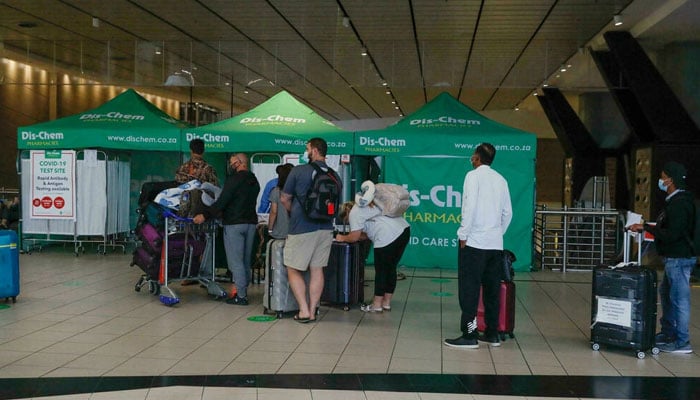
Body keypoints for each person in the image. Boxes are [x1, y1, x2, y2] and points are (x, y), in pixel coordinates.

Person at [445, 143, 512, 349]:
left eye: (473, 155)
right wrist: (497, 233)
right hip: (495, 244)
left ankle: (470, 334)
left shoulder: (472, 176)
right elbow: (508, 213)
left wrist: (463, 234)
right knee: (491, 289)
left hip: (474, 243)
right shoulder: (501, 179)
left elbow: (469, 206)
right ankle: (492, 333)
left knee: (469, 289)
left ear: (477, 158)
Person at [629, 161, 695, 354]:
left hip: (678, 257)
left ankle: (682, 342)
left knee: (679, 299)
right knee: (667, 294)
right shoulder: (677, 201)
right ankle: (668, 332)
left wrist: (647, 228)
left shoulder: (680, 203)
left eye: (663, 176)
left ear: (670, 180)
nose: (661, 180)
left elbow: (672, 233)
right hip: (674, 257)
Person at [280, 138, 340, 323]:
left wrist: (296, 212)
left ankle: (304, 310)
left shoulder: (299, 171)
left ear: (313, 151)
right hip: (326, 228)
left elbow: (284, 198)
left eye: (307, 149)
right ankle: (313, 311)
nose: (306, 152)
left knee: (292, 268)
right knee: (317, 269)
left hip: (301, 228)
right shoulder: (334, 175)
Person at [193, 153, 260, 305]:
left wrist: (205, 215)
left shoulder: (234, 179)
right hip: (250, 223)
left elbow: (223, 201)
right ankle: (243, 289)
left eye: (232, 163)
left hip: (234, 224)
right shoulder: (253, 180)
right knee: (245, 260)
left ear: (239, 162)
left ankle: (241, 296)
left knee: (235, 262)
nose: (231, 166)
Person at [335, 181, 410, 312]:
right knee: (390, 268)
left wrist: (341, 237)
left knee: (381, 271)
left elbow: (354, 237)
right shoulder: (372, 203)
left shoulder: (354, 213)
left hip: (387, 236)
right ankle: (386, 303)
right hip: (403, 230)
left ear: (345, 215)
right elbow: (366, 233)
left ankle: (376, 305)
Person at [267, 164, 294, 239]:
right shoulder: (297, 191)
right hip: (295, 231)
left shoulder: (276, 191)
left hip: (279, 231)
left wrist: (270, 229)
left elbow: (273, 212)